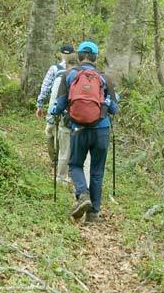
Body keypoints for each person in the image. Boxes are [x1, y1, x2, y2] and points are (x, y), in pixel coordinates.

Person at [50, 40, 118, 224]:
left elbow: (59, 105)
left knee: (75, 165)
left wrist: (56, 114)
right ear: (96, 57)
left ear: (79, 56)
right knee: (97, 171)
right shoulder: (106, 78)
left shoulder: (69, 75)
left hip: (78, 128)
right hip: (101, 130)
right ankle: (93, 214)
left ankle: (82, 194)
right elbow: (114, 109)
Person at [36, 44, 76, 185]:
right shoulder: (76, 71)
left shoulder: (54, 69)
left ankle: (55, 161)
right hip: (68, 112)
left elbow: (45, 87)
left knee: (49, 132)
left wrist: (40, 104)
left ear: (60, 54)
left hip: (54, 108)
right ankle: (63, 165)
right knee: (64, 138)